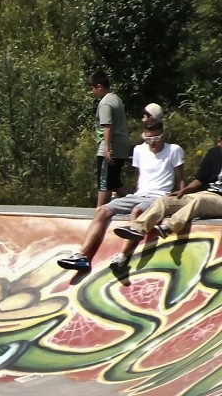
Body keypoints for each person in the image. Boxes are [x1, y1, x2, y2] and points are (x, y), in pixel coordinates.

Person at [58, 118, 184, 272]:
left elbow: (180, 179)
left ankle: (122, 256)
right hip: (139, 194)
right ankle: (82, 257)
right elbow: (139, 176)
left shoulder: (174, 150)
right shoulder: (139, 150)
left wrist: (180, 201)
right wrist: (135, 194)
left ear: (163, 135)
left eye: (157, 138)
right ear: (144, 135)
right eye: (149, 138)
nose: (153, 142)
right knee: (101, 210)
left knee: (136, 211)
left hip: (159, 198)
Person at [113, 129, 222, 246]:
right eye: (219, 142)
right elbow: (200, 180)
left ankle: (169, 226)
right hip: (206, 194)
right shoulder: (214, 153)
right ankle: (137, 228)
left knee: (201, 201)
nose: (218, 145)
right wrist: (183, 191)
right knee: (165, 200)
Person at [88, 70, 130, 207]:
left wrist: (106, 149)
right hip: (121, 147)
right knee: (114, 182)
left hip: (111, 147)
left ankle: (99, 212)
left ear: (99, 87)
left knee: (104, 182)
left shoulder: (105, 103)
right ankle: (138, 200)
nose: (92, 92)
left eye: (92, 88)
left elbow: (108, 127)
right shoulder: (116, 98)